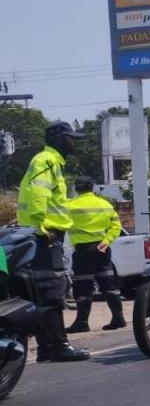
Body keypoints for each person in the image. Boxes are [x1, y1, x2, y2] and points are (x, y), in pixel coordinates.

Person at [16, 121, 90, 361]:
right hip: (45, 234)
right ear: (58, 138)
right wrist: (41, 226)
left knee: (45, 291)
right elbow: (37, 194)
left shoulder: (51, 161)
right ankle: (58, 346)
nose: (74, 143)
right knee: (51, 291)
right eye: (71, 138)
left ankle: (47, 347)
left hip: (43, 233)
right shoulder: (46, 160)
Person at [65, 176, 125, 333]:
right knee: (108, 284)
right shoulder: (105, 204)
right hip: (102, 249)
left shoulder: (69, 205)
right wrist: (105, 242)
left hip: (83, 251)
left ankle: (82, 322)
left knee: (83, 286)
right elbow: (116, 226)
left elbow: (58, 222)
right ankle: (118, 318)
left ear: (76, 189)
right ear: (92, 187)